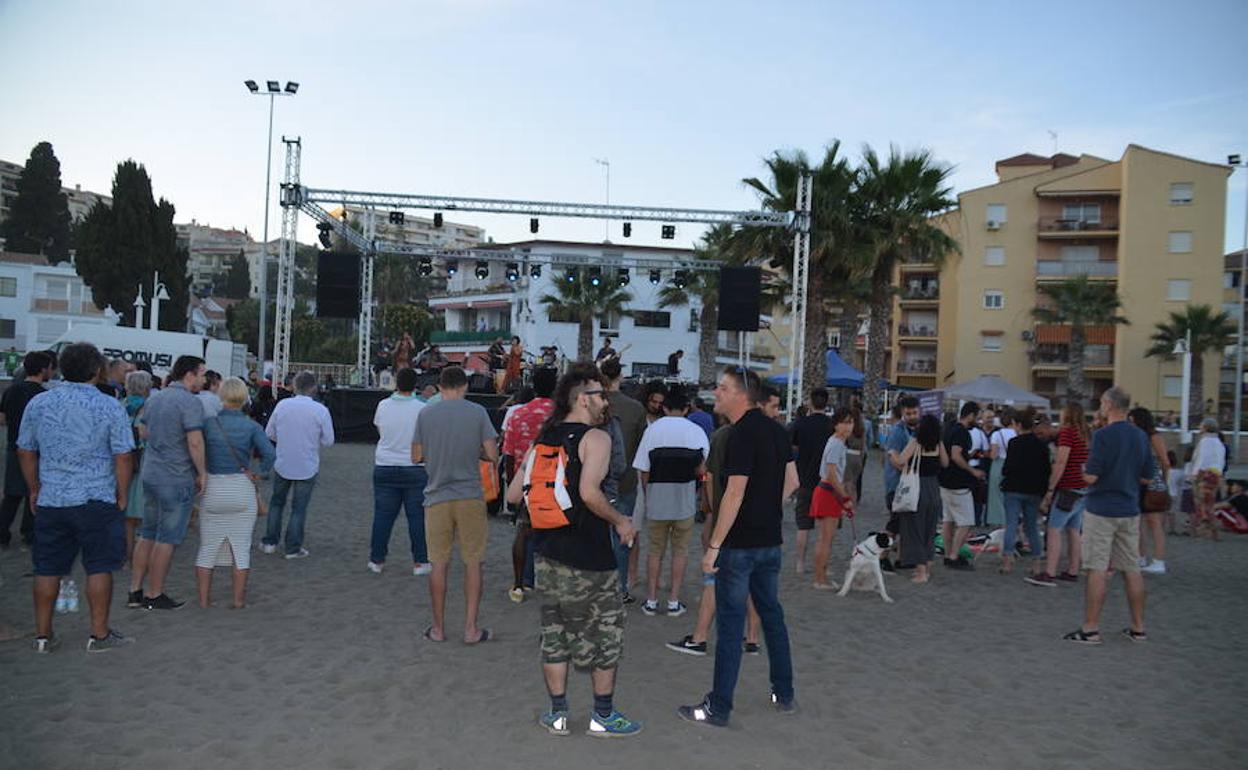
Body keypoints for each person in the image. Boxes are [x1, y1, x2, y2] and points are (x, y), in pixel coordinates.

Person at [504, 364, 641, 737]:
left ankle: (558, 714)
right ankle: (603, 715)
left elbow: (514, 495)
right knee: (606, 636)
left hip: (548, 556)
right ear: (582, 399)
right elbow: (589, 493)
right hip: (590, 558)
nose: (604, 401)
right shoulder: (595, 439)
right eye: (600, 395)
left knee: (555, 635)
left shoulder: (543, 439)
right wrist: (620, 521)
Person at [678, 366, 798, 727]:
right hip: (769, 541)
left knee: (730, 626)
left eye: (724, 388)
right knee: (771, 615)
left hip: (740, 545)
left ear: (742, 395)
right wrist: (766, 507)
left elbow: (734, 491)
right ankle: (784, 692)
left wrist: (714, 546)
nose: (717, 393)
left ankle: (718, 707)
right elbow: (792, 482)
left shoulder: (740, 434)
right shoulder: (777, 430)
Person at [18, 342, 135, 653]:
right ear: (97, 371)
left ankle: (43, 635)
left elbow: (25, 450)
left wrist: (34, 487)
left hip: (53, 497)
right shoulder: (110, 406)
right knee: (98, 566)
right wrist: (122, 494)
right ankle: (98, 633)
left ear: (60, 367)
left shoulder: (40, 403)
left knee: (47, 567)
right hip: (95, 496)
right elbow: (123, 456)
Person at [412, 366, 498, 644]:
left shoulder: (426, 413)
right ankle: (471, 629)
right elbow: (493, 454)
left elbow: (416, 456)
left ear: (439, 386)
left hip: (437, 496)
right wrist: (479, 453)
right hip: (470, 495)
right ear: (464, 387)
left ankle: (437, 628)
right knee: (473, 562)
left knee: (438, 563)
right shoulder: (477, 412)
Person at [666, 409, 762, 657]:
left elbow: (708, 477)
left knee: (714, 578)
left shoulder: (724, 437)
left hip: (728, 519)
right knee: (751, 580)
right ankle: (751, 638)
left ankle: (699, 638)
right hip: (754, 521)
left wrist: (709, 510)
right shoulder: (760, 436)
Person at [1064, 386, 1154, 645]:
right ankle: (1138, 627)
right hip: (1129, 509)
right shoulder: (1140, 436)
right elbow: (1147, 476)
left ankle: (1091, 628)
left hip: (1102, 509)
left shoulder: (1103, 436)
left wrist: (1083, 469)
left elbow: (1091, 476)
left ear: (1109, 404)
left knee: (1097, 568)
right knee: (1132, 569)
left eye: (1102, 402)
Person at [128, 355, 207, 611]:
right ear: (189, 375)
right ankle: (155, 593)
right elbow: (195, 441)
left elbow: (143, 431)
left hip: (150, 473)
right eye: (201, 374)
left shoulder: (155, 397)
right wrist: (202, 472)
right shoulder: (190, 402)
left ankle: (135, 590)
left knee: (147, 532)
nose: (203, 380)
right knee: (168, 538)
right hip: (175, 476)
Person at [195, 377, 275, 609]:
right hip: (241, 488)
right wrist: (260, 474)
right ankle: (238, 601)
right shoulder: (252, 426)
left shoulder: (208, 424)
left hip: (213, 488)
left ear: (221, 396)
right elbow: (270, 454)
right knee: (241, 548)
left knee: (207, 548)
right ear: (243, 398)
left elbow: (196, 448)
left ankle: (204, 600)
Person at [633, 388, 709, 616]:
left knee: (655, 550)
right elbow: (704, 470)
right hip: (684, 497)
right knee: (680, 551)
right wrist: (701, 489)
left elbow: (643, 469)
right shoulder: (696, 432)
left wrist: (649, 494)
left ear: (665, 408)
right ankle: (674, 600)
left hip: (657, 497)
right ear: (686, 409)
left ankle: (652, 600)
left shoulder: (652, 431)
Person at [261, 371, 335, 559]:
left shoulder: (282, 405)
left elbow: (269, 433)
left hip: (284, 461)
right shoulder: (320, 410)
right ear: (314, 388)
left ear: (294, 386)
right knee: (298, 508)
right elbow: (328, 440)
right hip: (307, 464)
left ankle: (270, 541)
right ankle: (292, 548)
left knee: (277, 503)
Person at [367, 368, 431, 576]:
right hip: (414, 467)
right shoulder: (422, 408)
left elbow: (380, 430)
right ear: (415, 385)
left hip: (385, 464)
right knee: (417, 517)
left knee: (383, 516)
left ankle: (376, 560)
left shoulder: (382, 405)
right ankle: (420, 561)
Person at [501, 367, 556, 602]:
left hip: (525, 479)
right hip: (554, 479)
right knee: (555, 533)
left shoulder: (518, 413)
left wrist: (513, 481)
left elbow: (509, 453)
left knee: (523, 532)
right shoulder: (561, 414)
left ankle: (520, 584)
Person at [1028, 402, 1090, 587]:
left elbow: (1061, 462)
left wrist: (1050, 489)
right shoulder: (1085, 434)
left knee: (1054, 530)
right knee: (1074, 530)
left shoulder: (1068, 433)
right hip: (1082, 488)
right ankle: (1072, 570)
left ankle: (1050, 572)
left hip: (1068, 488)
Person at [601, 359, 647, 602]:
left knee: (597, 536)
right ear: (621, 376)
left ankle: (599, 587)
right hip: (626, 481)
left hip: (596, 481)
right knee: (622, 536)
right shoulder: (636, 408)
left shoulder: (592, 403)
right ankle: (619, 588)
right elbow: (641, 447)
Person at [0, 351, 54, 549]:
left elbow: (2, 418)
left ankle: (3, 531)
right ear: (43, 369)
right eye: (49, 367)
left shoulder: (11, 390)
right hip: (38, 451)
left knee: (12, 494)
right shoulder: (44, 396)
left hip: (14, 446)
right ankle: (29, 531)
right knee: (35, 490)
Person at [894, 414, 949, 584]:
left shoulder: (916, 442)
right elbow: (945, 463)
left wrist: (892, 453)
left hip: (917, 487)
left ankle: (921, 571)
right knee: (929, 528)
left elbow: (901, 460)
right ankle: (927, 565)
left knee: (914, 529)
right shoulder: (938, 444)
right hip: (934, 488)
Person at [811, 407, 856, 590]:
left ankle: (821, 574)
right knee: (826, 539)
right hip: (828, 492)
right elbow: (831, 473)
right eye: (844, 422)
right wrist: (845, 497)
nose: (848, 427)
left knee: (824, 538)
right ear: (836, 424)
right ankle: (820, 579)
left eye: (850, 422)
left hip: (828, 491)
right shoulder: (837, 443)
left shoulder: (836, 441)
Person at [999, 408, 1049, 575]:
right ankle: (1036, 563)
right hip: (1034, 491)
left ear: (1018, 425)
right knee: (1032, 528)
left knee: (1011, 525)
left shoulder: (1014, 443)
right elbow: (1046, 471)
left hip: (1013, 489)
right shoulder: (1041, 445)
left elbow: (1007, 468)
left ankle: (1007, 562)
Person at [789, 388, 832, 575]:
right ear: (827, 403)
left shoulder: (800, 424)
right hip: (826, 482)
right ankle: (822, 565)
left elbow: (791, 446)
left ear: (810, 403)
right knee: (825, 529)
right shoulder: (832, 425)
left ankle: (800, 564)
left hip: (805, 480)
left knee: (803, 526)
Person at [939, 401, 983, 571]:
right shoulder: (962, 432)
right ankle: (954, 556)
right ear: (971, 415)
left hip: (945, 480)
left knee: (948, 520)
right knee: (966, 522)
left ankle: (947, 554)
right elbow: (956, 455)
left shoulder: (948, 428)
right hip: (958, 483)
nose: (977, 420)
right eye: (977, 417)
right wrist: (972, 471)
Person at [1127, 407, 1171, 574]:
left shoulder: (1153, 436)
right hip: (1138, 480)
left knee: (1153, 522)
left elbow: (1165, 461)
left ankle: (1158, 560)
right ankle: (1141, 557)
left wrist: (1164, 482)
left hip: (1151, 481)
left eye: (1132, 420)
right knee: (1138, 522)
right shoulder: (1137, 436)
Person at [882, 396, 921, 569]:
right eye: (908, 413)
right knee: (895, 523)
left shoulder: (918, 430)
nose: (912, 416)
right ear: (902, 413)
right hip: (897, 486)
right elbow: (894, 459)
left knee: (906, 522)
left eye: (914, 412)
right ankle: (882, 556)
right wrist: (910, 468)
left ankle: (901, 557)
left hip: (910, 485)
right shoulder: (898, 431)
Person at [121, 370, 152, 565]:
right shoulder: (149, 408)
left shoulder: (119, 406)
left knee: (126, 518)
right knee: (145, 514)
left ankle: (127, 555)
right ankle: (142, 559)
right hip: (144, 463)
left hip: (122, 462)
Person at [1189, 417, 1226, 539]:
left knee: (1200, 503)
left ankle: (1201, 528)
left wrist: (1197, 476)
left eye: (1201, 425)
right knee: (1210, 504)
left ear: (1205, 427)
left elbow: (1202, 460)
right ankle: (1213, 532)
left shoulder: (1205, 442)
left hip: (1204, 475)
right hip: (1215, 475)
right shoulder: (1219, 443)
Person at [985, 408, 1016, 527]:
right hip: (1012, 466)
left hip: (998, 465)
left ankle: (999, 523)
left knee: (996, 496)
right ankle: (1010, 523)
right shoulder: (1016, 434)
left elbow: (994, 455)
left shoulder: (997, 434)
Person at [970, 407, 992, 526]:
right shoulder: (979, 432)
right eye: (988, 418)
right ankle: (976, 520)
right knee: (977, 497)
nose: (991, 420)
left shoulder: (976, 432)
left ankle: (975, 520)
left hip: (973, 467)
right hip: (976, 467)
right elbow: (987, 451)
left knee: (976, 496)